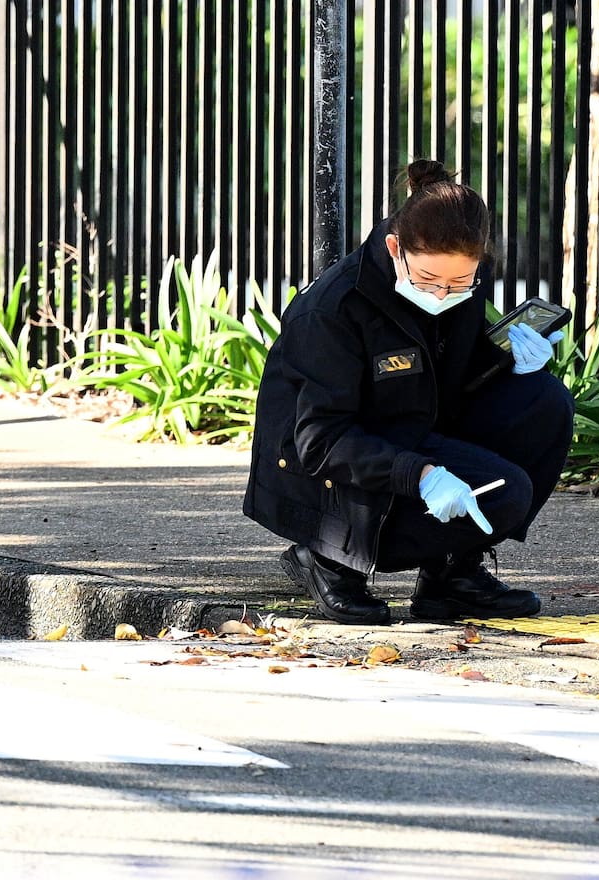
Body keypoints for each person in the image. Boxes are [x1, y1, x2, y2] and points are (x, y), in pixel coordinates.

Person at [243, 159, 574, 626]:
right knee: (506, 494)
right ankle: (328, 558)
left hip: (407, 425)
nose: (442, 294)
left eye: (459, 282)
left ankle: (452, 576)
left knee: (545, 403)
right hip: (327, 469)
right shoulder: (334, 309)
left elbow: (446, 377)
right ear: (395, 248)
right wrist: (421, 475)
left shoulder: (459, 284)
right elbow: (320, 440)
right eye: (428, 280)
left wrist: (509, 363)